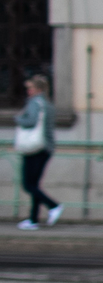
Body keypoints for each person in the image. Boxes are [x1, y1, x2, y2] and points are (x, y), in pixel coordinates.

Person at [13, 72, 59, 229]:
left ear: (38, 89)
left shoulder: (35, 103)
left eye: (30, 88)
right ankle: (33, 219)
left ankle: (53, 206)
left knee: (28, 184)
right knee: (35, 184)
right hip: (46, 148)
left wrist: (18, 119)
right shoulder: (48, 103)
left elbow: (31, 121)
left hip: (34, 147)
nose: (28, 91)